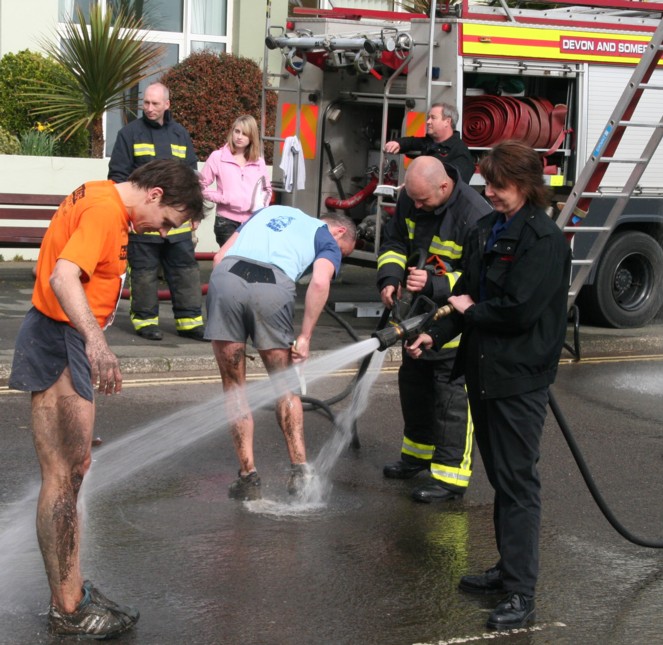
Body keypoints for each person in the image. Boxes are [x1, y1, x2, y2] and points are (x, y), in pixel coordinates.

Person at [8, 159, 204, 639]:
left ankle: (73, 593)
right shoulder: (103, 208)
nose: (162, 232)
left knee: (73, 470)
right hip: (61, 338)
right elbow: (63, 277)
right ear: (155, 195)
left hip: (63, 337)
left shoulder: (102, 198)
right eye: (169, 221)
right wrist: (96, 344)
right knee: (61, 475)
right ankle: (69, 610)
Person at [406, 140, 571, 630]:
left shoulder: (543, 241)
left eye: (498, 186)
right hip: (483, 373)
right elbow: (464, 297)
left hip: (519, 381)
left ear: (524, 185)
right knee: (502, 480)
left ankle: (522, 594)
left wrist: (468, 311)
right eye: (488, 185)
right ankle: (507, 569)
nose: (490, 193)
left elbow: (517, 311)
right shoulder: (486, 230)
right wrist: (433, 335)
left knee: (518, 484)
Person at [206, 206, 356, 500]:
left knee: (234, 389)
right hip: (272, 288)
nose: (339, 258)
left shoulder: (268, 211)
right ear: (339, 231)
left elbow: (218, 257)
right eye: (343, 252)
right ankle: (299, 471)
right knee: (285, 388)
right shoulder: (324, 236)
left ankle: (248, 477)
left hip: (225, 278)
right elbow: (320, 282)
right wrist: (305, 336)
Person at [377, 155, 492, 503]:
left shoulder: (475, 215)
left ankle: (450, 477)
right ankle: (417, 456)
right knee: (414, 387)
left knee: (451, 399)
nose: (416, 206)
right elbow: (396, 243)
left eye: (423, 200)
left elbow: (480, 280)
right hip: (415, 313)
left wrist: (435, 283)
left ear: (444, 186)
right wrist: (390, 278)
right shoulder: (412, 197)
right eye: (412, 199)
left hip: (452, 321)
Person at [108, 82, 206, 342]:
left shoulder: (180, 134)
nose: (149, 108)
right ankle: (145, 322)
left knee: (185, 271)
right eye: (146, 103)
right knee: (143, 272)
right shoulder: (129, 134)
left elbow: (192, 176)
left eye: (154, 104)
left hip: (178, 225)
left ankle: (190, 323)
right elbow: (117, 176)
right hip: (144, 221)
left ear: (167, 105)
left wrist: (194, 213)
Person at [199, 114, 272, 247]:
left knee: (247, 262)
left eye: (245, 133)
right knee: (230, 262)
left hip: (252, 221)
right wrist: (222, 197)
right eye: (236, 131)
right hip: (226, 222)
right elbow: (200, 186)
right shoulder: (217, 157)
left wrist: (260, 207)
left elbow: (267, 189)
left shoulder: (259, 162)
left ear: (252, 137)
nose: (239, 137)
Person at [384, 102, 475, 184]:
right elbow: (411, 142)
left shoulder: (460, 152)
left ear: (447, 122)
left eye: (433, 118)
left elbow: (456, 186)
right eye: (428, 118)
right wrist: (397, 143)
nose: (428, 122)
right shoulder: (429, 142)